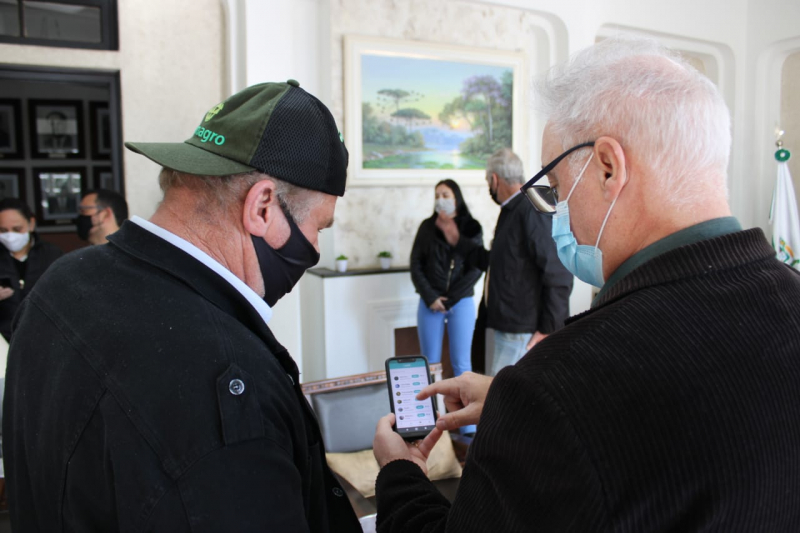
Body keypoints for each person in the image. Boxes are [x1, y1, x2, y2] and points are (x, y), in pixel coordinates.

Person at [372, 37, 800, 532]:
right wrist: (516, 414)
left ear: (607, 167)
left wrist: (402, 474)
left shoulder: (561, 386)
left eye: (554, 188)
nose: (555, 213)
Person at [3, 80, 362, 532]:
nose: (314, 248)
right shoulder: (231, 388)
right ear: (263, 207)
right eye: (320, 228)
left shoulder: (62, 281)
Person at [437, 148, 573, 375]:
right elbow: (498, 263)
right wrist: (458, 241)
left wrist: (549, 328)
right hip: (505, 326)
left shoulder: (531, 210)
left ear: (494, 179)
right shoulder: (513, 210)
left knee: (502, 402)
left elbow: (558, 271)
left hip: (520, 331)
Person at [410, 179, 482, 434]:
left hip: (461, 302)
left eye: (446, 194)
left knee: (462, 363)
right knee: (428, 366)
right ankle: (428, 422)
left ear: (456, 198)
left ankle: (467, 427)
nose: (441, 198)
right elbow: (416, 265)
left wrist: (451, 299)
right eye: (437, 194)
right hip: (429, 303)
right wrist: (431, 297)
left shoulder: (471, 228)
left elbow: (476, 268)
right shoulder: (427, 228)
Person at [0, 198, 62, 341]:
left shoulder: (51, 254)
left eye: (17, 229)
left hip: (44, 339)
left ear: (31, 224)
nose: (10, 236)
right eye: (3, 230)